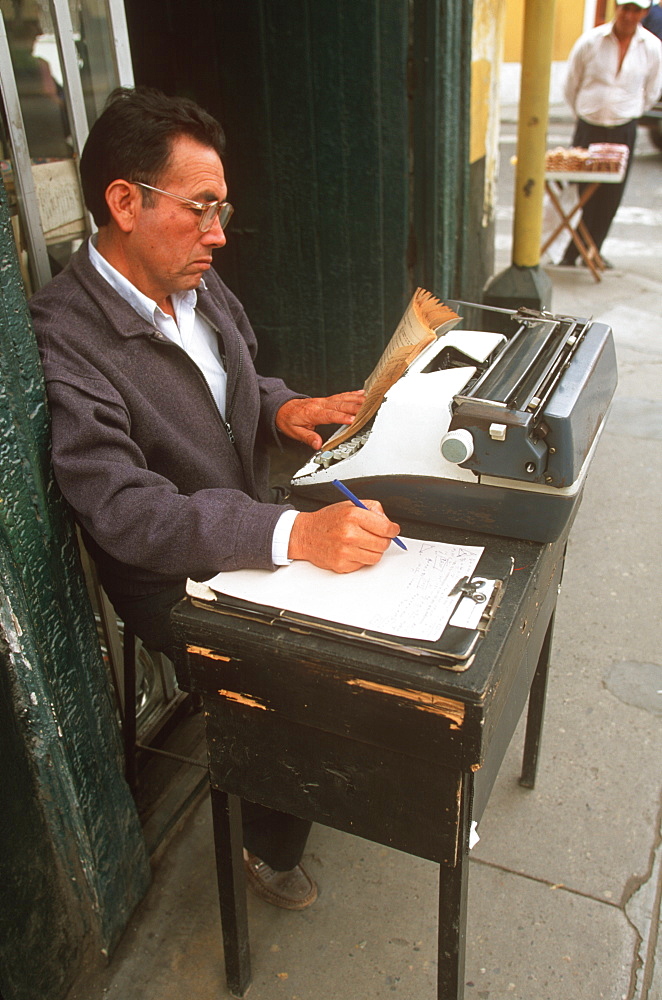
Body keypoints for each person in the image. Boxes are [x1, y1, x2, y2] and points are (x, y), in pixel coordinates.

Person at [29, 87, 401, 911]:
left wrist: (280, 406)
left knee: (386, 616)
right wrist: (292, 536)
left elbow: (239, 375)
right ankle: (269, 837)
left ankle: (313, 772)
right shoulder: (65, 336)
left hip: (246, 512)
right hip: (168, 572)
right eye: (200, 209)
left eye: (221, 208)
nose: (219, 233)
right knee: (300, 671)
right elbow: (125, 510)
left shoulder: (194, 279)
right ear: (124, 201)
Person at [559, 0, 662, 268]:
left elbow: (652, 91)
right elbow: (571, 83)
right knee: (580, 192)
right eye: (624, 8)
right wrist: (584, 113)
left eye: (635, 10)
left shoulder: (652, 48)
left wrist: (629, 112)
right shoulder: (590, 41)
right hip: (588, 126)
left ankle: (592, 250)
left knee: (610, 195)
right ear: (616, 8)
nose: (628, 16)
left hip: (623, 128)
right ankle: (571, 252)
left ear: (645, 13)